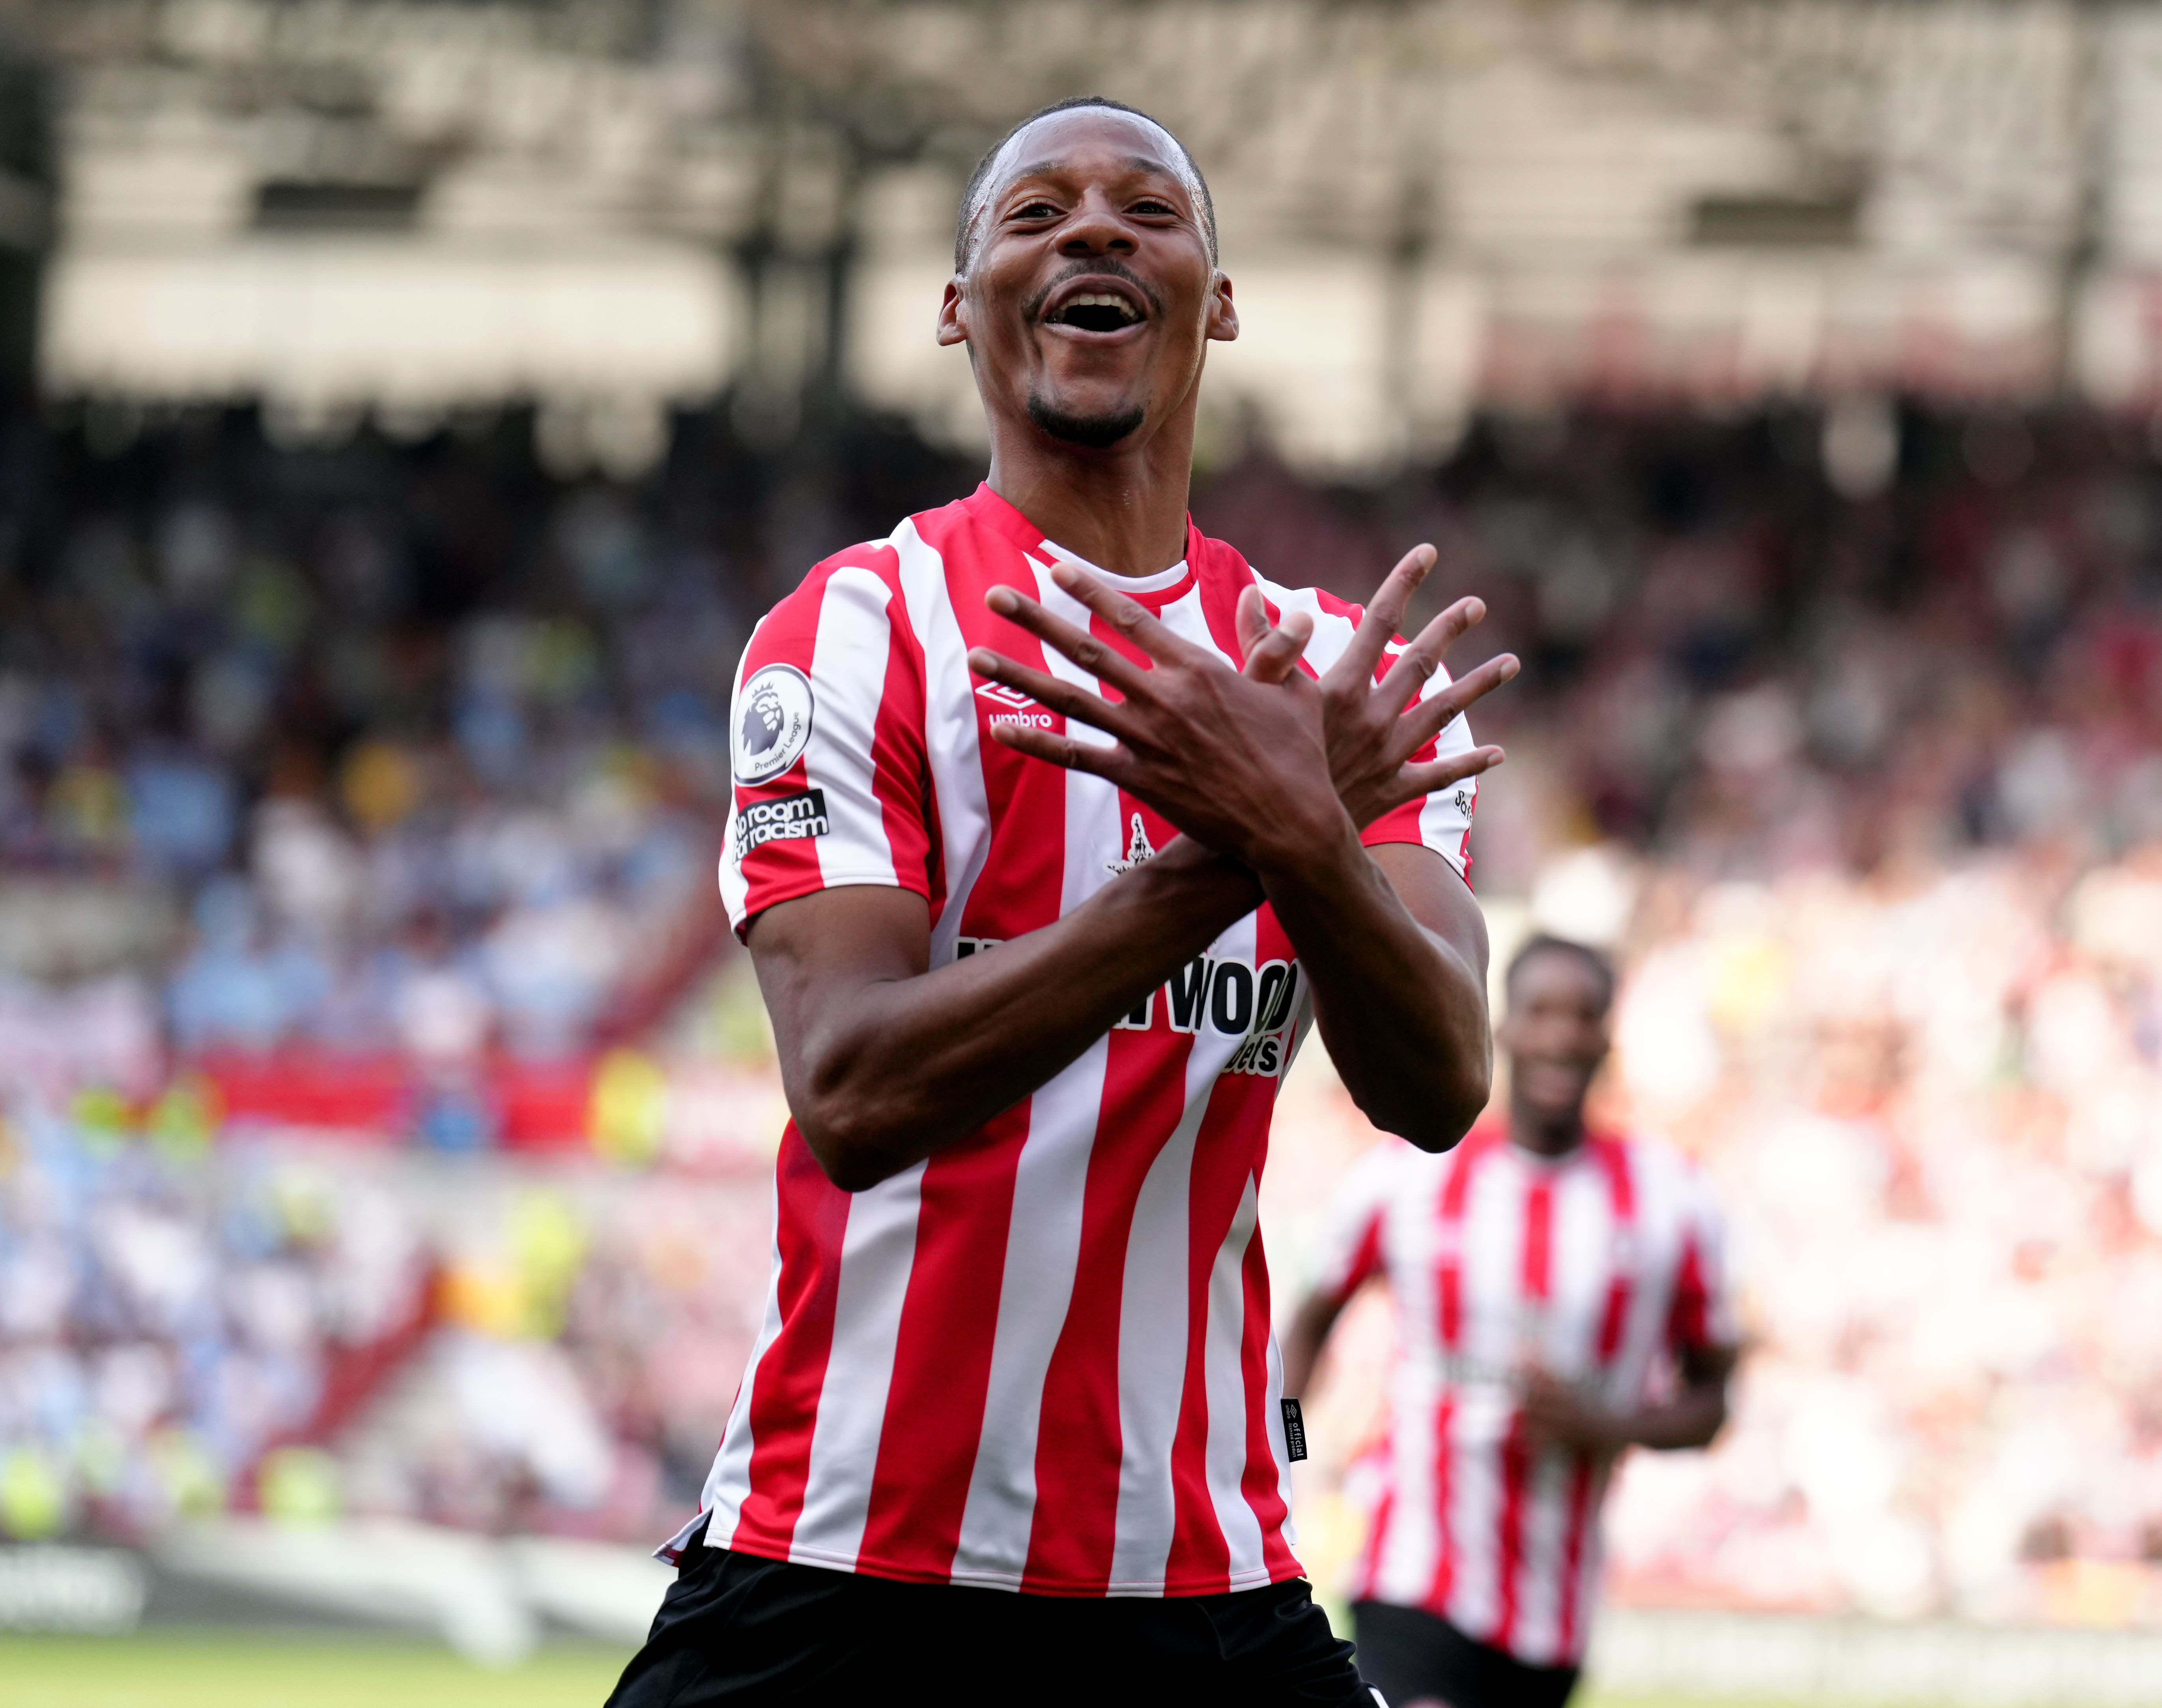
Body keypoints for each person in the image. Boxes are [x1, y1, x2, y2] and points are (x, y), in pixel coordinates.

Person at [607, 95, 1519, 1706]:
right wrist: (1244, 847)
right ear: (959, 312)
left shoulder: (1336, 674)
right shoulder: (854, 634)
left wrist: (1302, 835)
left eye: (1144, 211)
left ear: (1216, 302)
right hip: (843, 1564)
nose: (1091, 230)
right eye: (1032, 215)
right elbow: (855, 1090)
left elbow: (1439, 1082)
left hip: (1192, 1578)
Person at [1282, 938, 1742, 1708]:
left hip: (1554, 1615)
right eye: (1540, 1013)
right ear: (1504, 1026)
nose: (1561, 1036)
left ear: (1608, 1036)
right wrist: (1281, 1454)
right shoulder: (1407, 1177)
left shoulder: (1672, 1202)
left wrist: (1607, 1422)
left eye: (1583, 1015)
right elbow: (1305, 1327)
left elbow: (1713, 1403)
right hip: (1411, 1576)